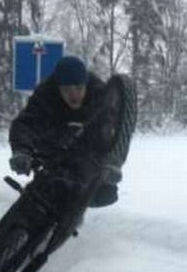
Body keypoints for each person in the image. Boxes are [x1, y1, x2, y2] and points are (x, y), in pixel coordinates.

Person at [8, 55, 137, 209]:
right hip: (51, 155)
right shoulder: (45, 94)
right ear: (58, 88)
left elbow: (117, 130)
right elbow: (24, 124)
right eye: (67, 90)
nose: (74, 95)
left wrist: (112, 163)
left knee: (104, 195)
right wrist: (22, 151)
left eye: (78, 88)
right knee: (46, 193)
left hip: (86, 156)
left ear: (86, 85)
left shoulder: (101, 96)